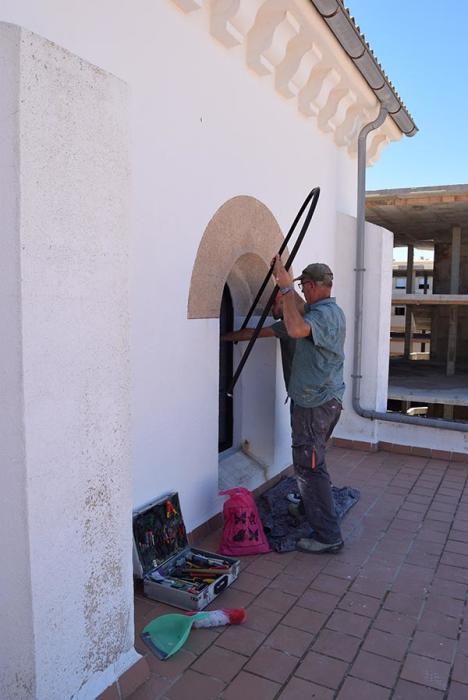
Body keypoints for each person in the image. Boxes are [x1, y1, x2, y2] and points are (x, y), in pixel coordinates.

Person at [273, 255, 346, 554]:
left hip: (314, 406)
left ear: (314, 285)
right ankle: (308, 508)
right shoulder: (328, 310)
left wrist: (287, 289)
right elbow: (301, 315)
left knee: (309, 468)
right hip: (325, 401)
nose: (302, 291)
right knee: (312, 461)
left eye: (304, 286)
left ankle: (329, 537)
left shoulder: (325, 315)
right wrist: (288, 283)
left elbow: (296, 329)